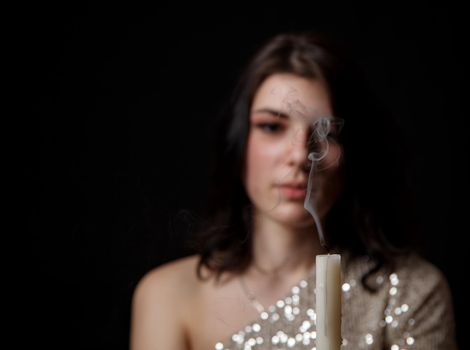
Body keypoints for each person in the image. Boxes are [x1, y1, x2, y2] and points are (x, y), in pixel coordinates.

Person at [130, 32, 458, 350]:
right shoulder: (168, 295)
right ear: (240, 142)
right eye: (272, 126)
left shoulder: (409, 292)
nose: (301, 155)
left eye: (323, 131)